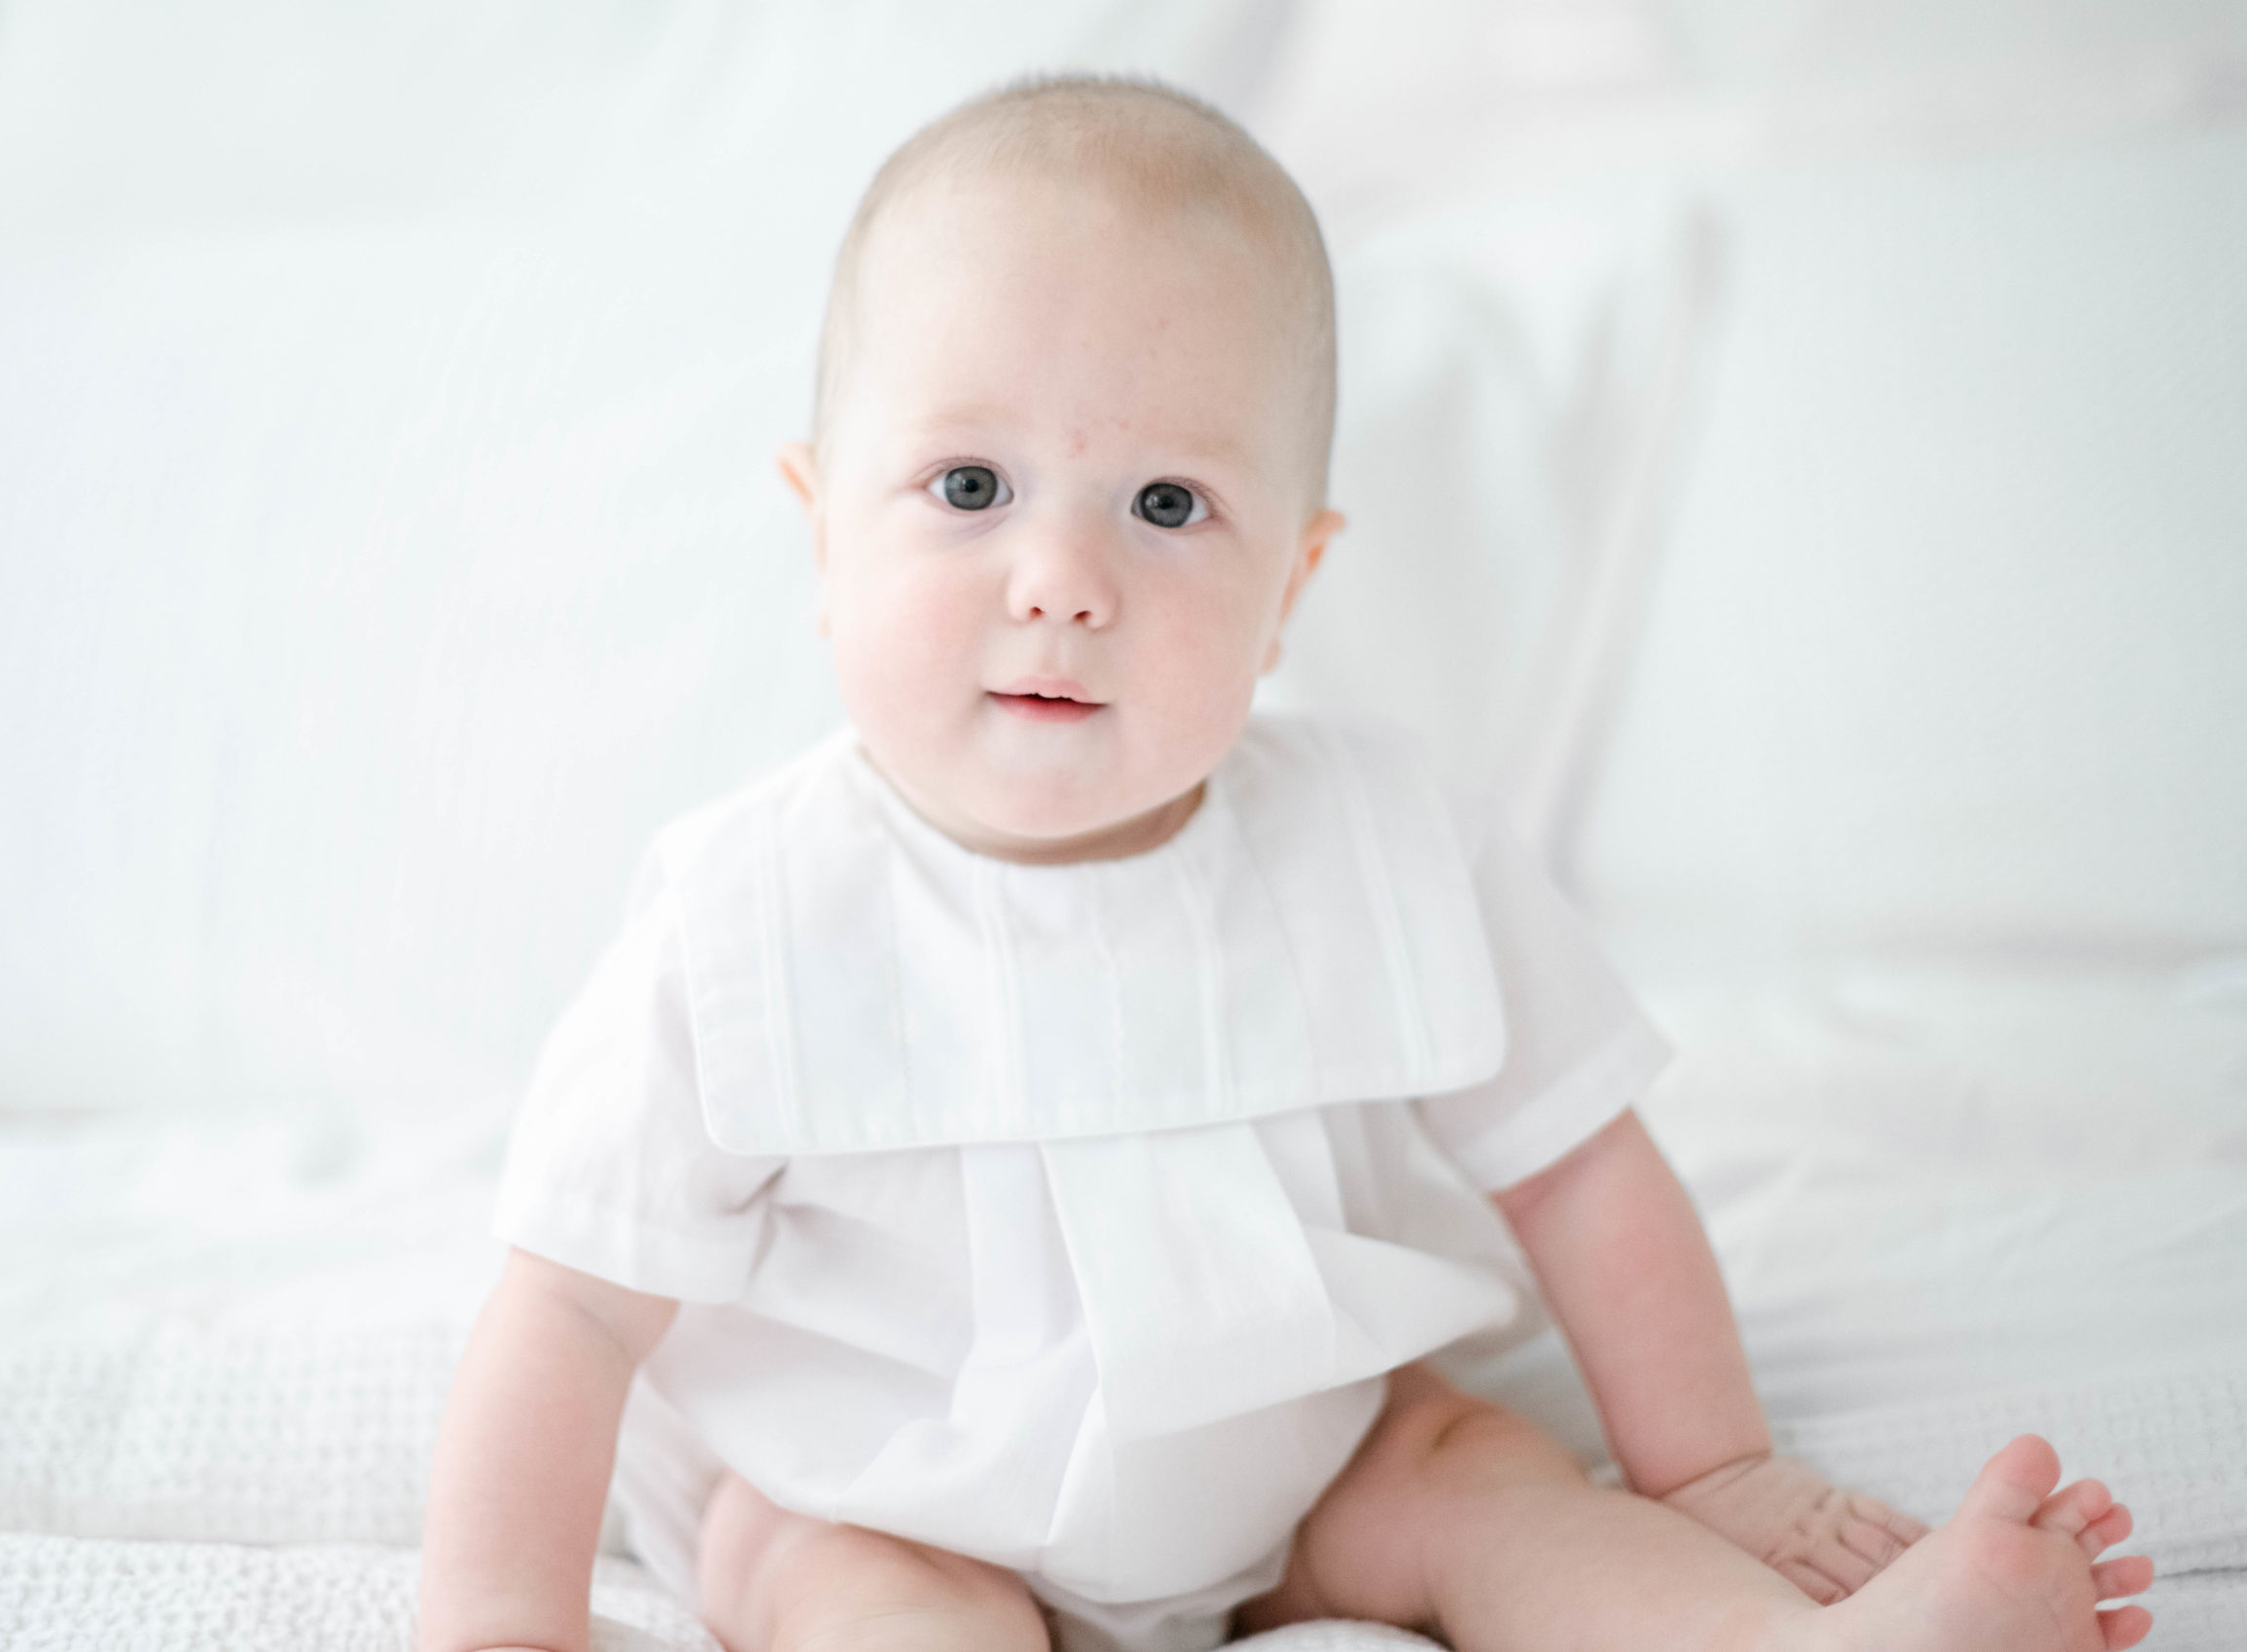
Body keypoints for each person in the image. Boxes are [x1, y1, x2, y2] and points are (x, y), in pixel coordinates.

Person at [416, 75, 2153, 1652]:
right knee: (873, 1607)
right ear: (817, 528)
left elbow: (1585, 1175)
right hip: (881, 1491)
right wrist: (504, 1620)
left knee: (1488, 1475)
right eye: (968, 484)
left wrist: (1713, 1469)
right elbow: (567, 1310)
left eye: (1168, 506)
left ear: (1292, 589)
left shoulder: (1387, 843)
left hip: (1304, 1458)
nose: (1059, 579)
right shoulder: (744, 919)